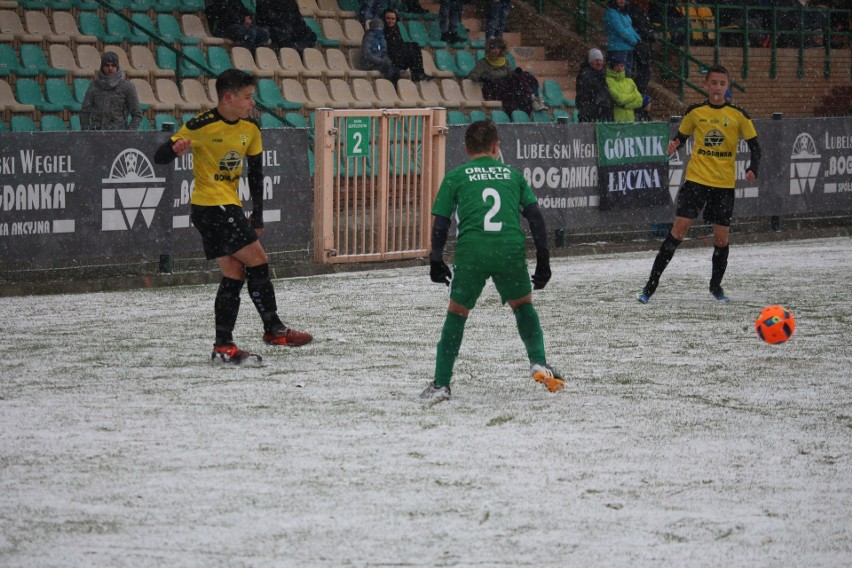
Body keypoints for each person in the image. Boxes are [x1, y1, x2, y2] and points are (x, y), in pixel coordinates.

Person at [153, 69, 313, 364]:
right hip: (211, 207)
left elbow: (256, 173)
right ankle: (273, 329)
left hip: (230, 207)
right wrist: (175, 149)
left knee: (234, 274)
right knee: (258, 261)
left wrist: (258, 214)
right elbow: (159, 156)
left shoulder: (250, 128)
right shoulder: (202, 125)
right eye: (248, 97)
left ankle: (223, 347)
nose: (253, 103)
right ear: (228, 97)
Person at [419, 120, 563, 404]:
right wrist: (543, 260)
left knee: (457, 313)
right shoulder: (512, 175)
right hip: (509, 248)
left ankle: (441, 383)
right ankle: (538, 361)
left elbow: (441, 222)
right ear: (496, 147)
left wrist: (436, 259)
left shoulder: (456, 176)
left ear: (466, 148)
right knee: (522, 306)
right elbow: (535, 217)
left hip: (473, 251)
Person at [636, 65, 761, 304]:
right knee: (678, 232)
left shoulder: (739, 115)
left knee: (721, 239)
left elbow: (755, 146)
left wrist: (753, 167)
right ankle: (650, 286)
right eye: (713, 83)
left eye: (722, 83)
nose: (717, 88)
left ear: (727, 86)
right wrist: (674, 144)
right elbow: (681, 137)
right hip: (696, 181)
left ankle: (716, 288)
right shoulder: (695, 112)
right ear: (706, 85)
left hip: (723, 186)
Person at [468, 36, 546, 115]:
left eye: (498, 48)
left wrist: (516, 72)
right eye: (493, 48)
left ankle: (534, 97)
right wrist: (483, 78)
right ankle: (532, 98)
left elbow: (511, 74)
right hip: (493, 88)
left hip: (506, 86)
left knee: (526, 75)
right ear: (489, 49)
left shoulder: (505, 61)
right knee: (517, 82)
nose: (496, 50)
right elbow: (472, 75)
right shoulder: (483, 62)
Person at [79, 52, 143, 131]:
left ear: (117, 67)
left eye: (113, 65)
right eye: (107, 65)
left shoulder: (127, 87)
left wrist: (129, 132)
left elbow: (137, 114)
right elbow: (85, 111)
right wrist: (86, 132)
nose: (110, 68)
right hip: (96, 134)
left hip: (118, 134)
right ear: (102, 67)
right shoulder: (94, 86)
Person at [383, 8, 430, 82]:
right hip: (391, 59)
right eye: (388, 18)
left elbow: (400, 43)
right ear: (384, 18)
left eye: (393, 19)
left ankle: (419, 73)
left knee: (415, 45)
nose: (390, 21)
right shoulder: (382, 29)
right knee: (411, 48)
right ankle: (417, 74)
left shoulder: (396, 29)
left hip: (399, 58)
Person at [605, 55, 648, 122]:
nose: (619, 68)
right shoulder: (608, 80)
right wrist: (633, 96)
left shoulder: (629, 81)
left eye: (621, 66)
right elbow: (619, 99)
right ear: (612, 67)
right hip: (616, 120)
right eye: (617, 66)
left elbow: (639, 101)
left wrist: (624, 105)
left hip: (630, 120)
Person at [575, 48, 614, 123]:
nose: (599, 63)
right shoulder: (585, 76)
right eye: (596, 60)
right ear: (590, 62)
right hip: (590, 116)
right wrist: (597, 106)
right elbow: (584, 97)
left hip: (601, 115)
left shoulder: (601, 75)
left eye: (600, 60)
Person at [604, 0, 640, 77]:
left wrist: (638, 39)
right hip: (617, 48)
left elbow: (630, 29)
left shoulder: (624, 13)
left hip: (628, 47)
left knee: (627, 75)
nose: (622, 1)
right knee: (619, 75)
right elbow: (620, 30)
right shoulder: (612, 13)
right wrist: (634, 41)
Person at [361, 17, 400, 84]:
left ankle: (394, 88)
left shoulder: (382, 38)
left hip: (381, 63)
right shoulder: (368, 37)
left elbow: (385, 52)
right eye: (377, 28)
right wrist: (381, 61)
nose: (379, 30)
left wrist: (386, 60)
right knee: (389, 69)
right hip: (370, 64)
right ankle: (388, 86)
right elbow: (367, 55)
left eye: (380, 28)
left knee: (396, 69)